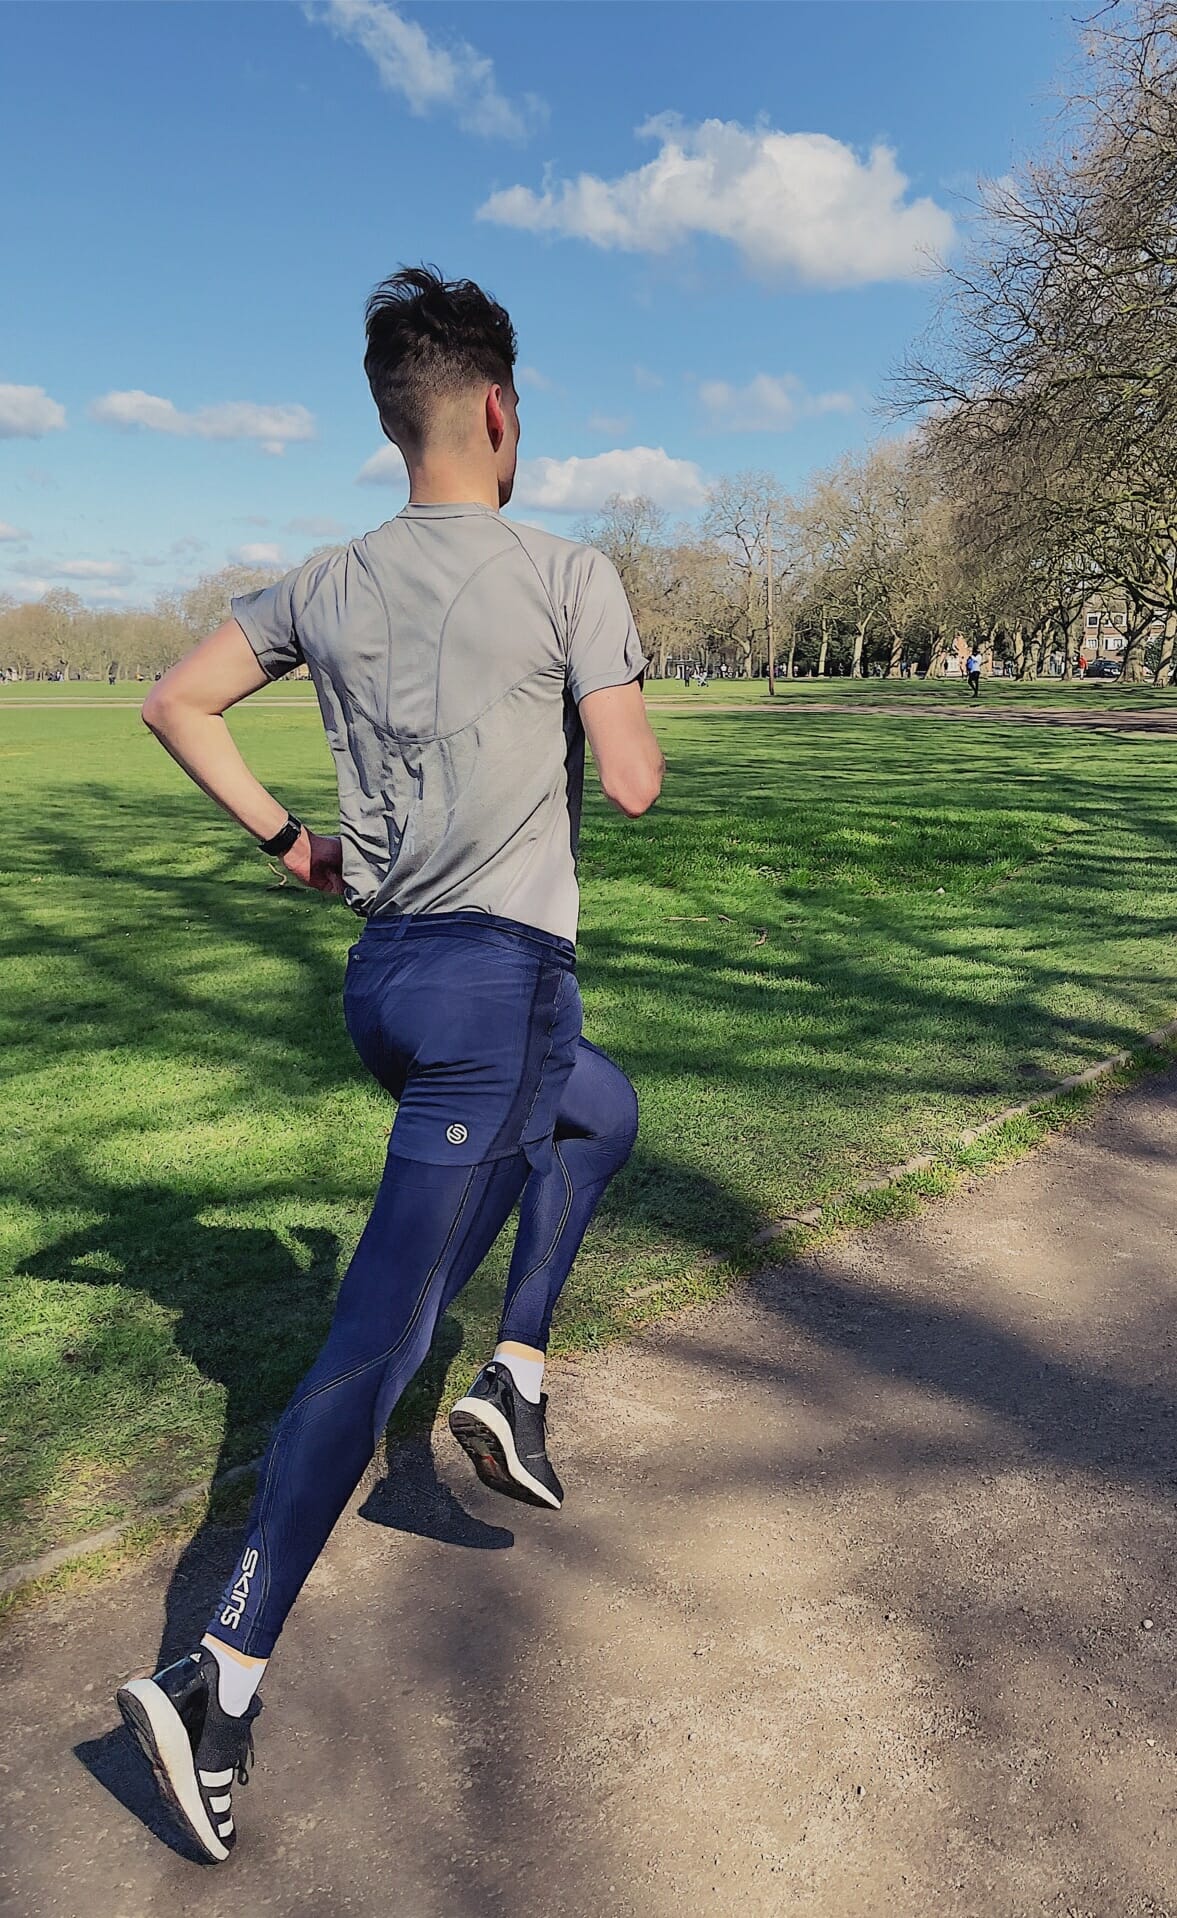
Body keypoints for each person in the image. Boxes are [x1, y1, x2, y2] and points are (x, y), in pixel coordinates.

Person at [115, 266, 665, 1864]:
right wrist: (604, 703)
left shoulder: (325, 580)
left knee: (603, 1109)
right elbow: (633, 782)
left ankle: (517, 1373)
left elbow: (175, 701)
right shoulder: (567, 569)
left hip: (388, 981)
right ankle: (216, 1672)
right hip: (499, 996)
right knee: (376, 1334)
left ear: (394, 418)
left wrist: (293, 843)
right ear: (497, 412)